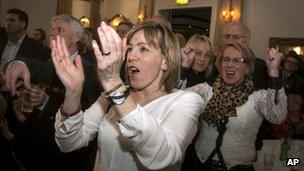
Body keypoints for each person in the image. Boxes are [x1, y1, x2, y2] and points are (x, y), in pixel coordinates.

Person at [51, 21, 204, 170]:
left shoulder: (186, 101)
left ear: (165, 61)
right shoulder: (110, 96)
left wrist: (112, 82)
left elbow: (161, 156)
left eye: (143, 49)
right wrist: (73, 91)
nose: (131, 56)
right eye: (129, 49)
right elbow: (69, 143)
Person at [4, 14, 101, 171]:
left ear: (76, 36)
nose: (53, 33)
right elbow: (41, 69)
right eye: (52, 30)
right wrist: (20, 64)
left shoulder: (88, 71)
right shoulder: (49, 61)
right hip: (40, 145)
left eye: (60, 29)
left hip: (64, 155)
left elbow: (86, 117)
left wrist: (45, 102)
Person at [185, 42, 287, 170]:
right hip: (199, 165)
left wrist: (273, 71)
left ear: (247, 67)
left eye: (237, 60)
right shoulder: (206, 90)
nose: (230, 64)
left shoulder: (257, 97)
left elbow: (277, 117)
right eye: (226, 59)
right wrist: (184, 65)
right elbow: (174, 98)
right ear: (220, 64)